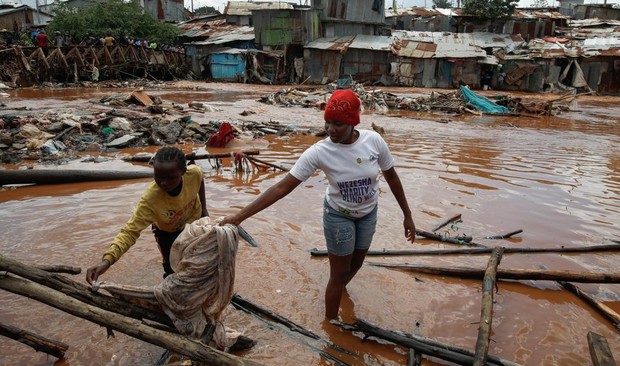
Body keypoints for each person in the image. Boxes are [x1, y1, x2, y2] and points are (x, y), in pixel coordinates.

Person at [219, 89, 416, 319]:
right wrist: (239, 216)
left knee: (357, 265)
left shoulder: (374, 141)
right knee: (339, 274)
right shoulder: (319, 151)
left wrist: (407, 215)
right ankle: (332, 326)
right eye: (328, 122)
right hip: (338, 215)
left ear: (353, 123)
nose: (331, 129)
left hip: (368, 213)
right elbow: (282, 187)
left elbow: (391, 177)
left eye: (338, 124)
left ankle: (341, 297)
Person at [86, 146, 209, 284]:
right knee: (172, 269)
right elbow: (130, 232)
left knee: (199, 262)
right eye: (158, 177)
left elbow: (200, 179)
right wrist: (107, 261)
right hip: (167, 233)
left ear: (183, 172)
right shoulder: (151, 201)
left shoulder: (193, 173)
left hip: (194, 224)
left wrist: (204, 210)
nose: (163, 182)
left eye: (170, 177)